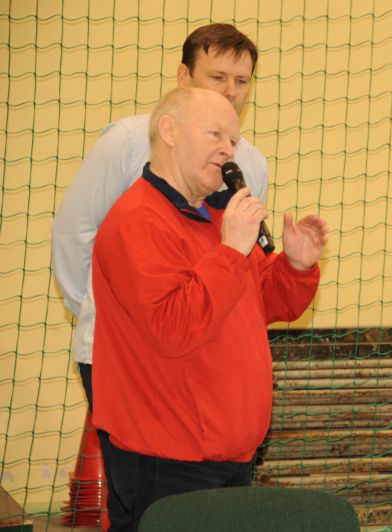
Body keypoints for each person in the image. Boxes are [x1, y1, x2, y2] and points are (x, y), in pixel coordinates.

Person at [91, 87, 328, 531]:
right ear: (169, 131)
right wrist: (232, 251)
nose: (228, 150)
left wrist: (296, 266)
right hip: (168, 459)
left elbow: (260, 303)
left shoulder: (217, 217)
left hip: (230, 454)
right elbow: (173, 327)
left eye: (233, 140)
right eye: (215, 134)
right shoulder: (137, 222)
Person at [52, 23, 266, 412]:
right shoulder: (125, 142)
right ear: (184, 76)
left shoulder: (251, 163)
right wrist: (106, 313)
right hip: (117, 353)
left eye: (241, 81)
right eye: (217, 77)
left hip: (197, 356)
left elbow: (242, 266)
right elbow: (74, 233)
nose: (230, 91)